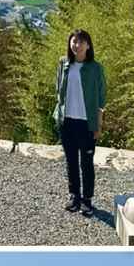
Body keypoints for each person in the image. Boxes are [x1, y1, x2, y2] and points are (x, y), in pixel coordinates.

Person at [53, 29, 107, 218]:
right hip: (66, 121)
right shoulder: (63, 64)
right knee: (70, 161)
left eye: (81, 42)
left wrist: (98, 126)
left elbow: (101, 99)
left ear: (88, 45)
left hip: (87, 122)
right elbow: (58, 90)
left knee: (86, 162)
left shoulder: (95, 68)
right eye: (74, 41)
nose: (77, 45)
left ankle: (87, 199)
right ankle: (74, 196)